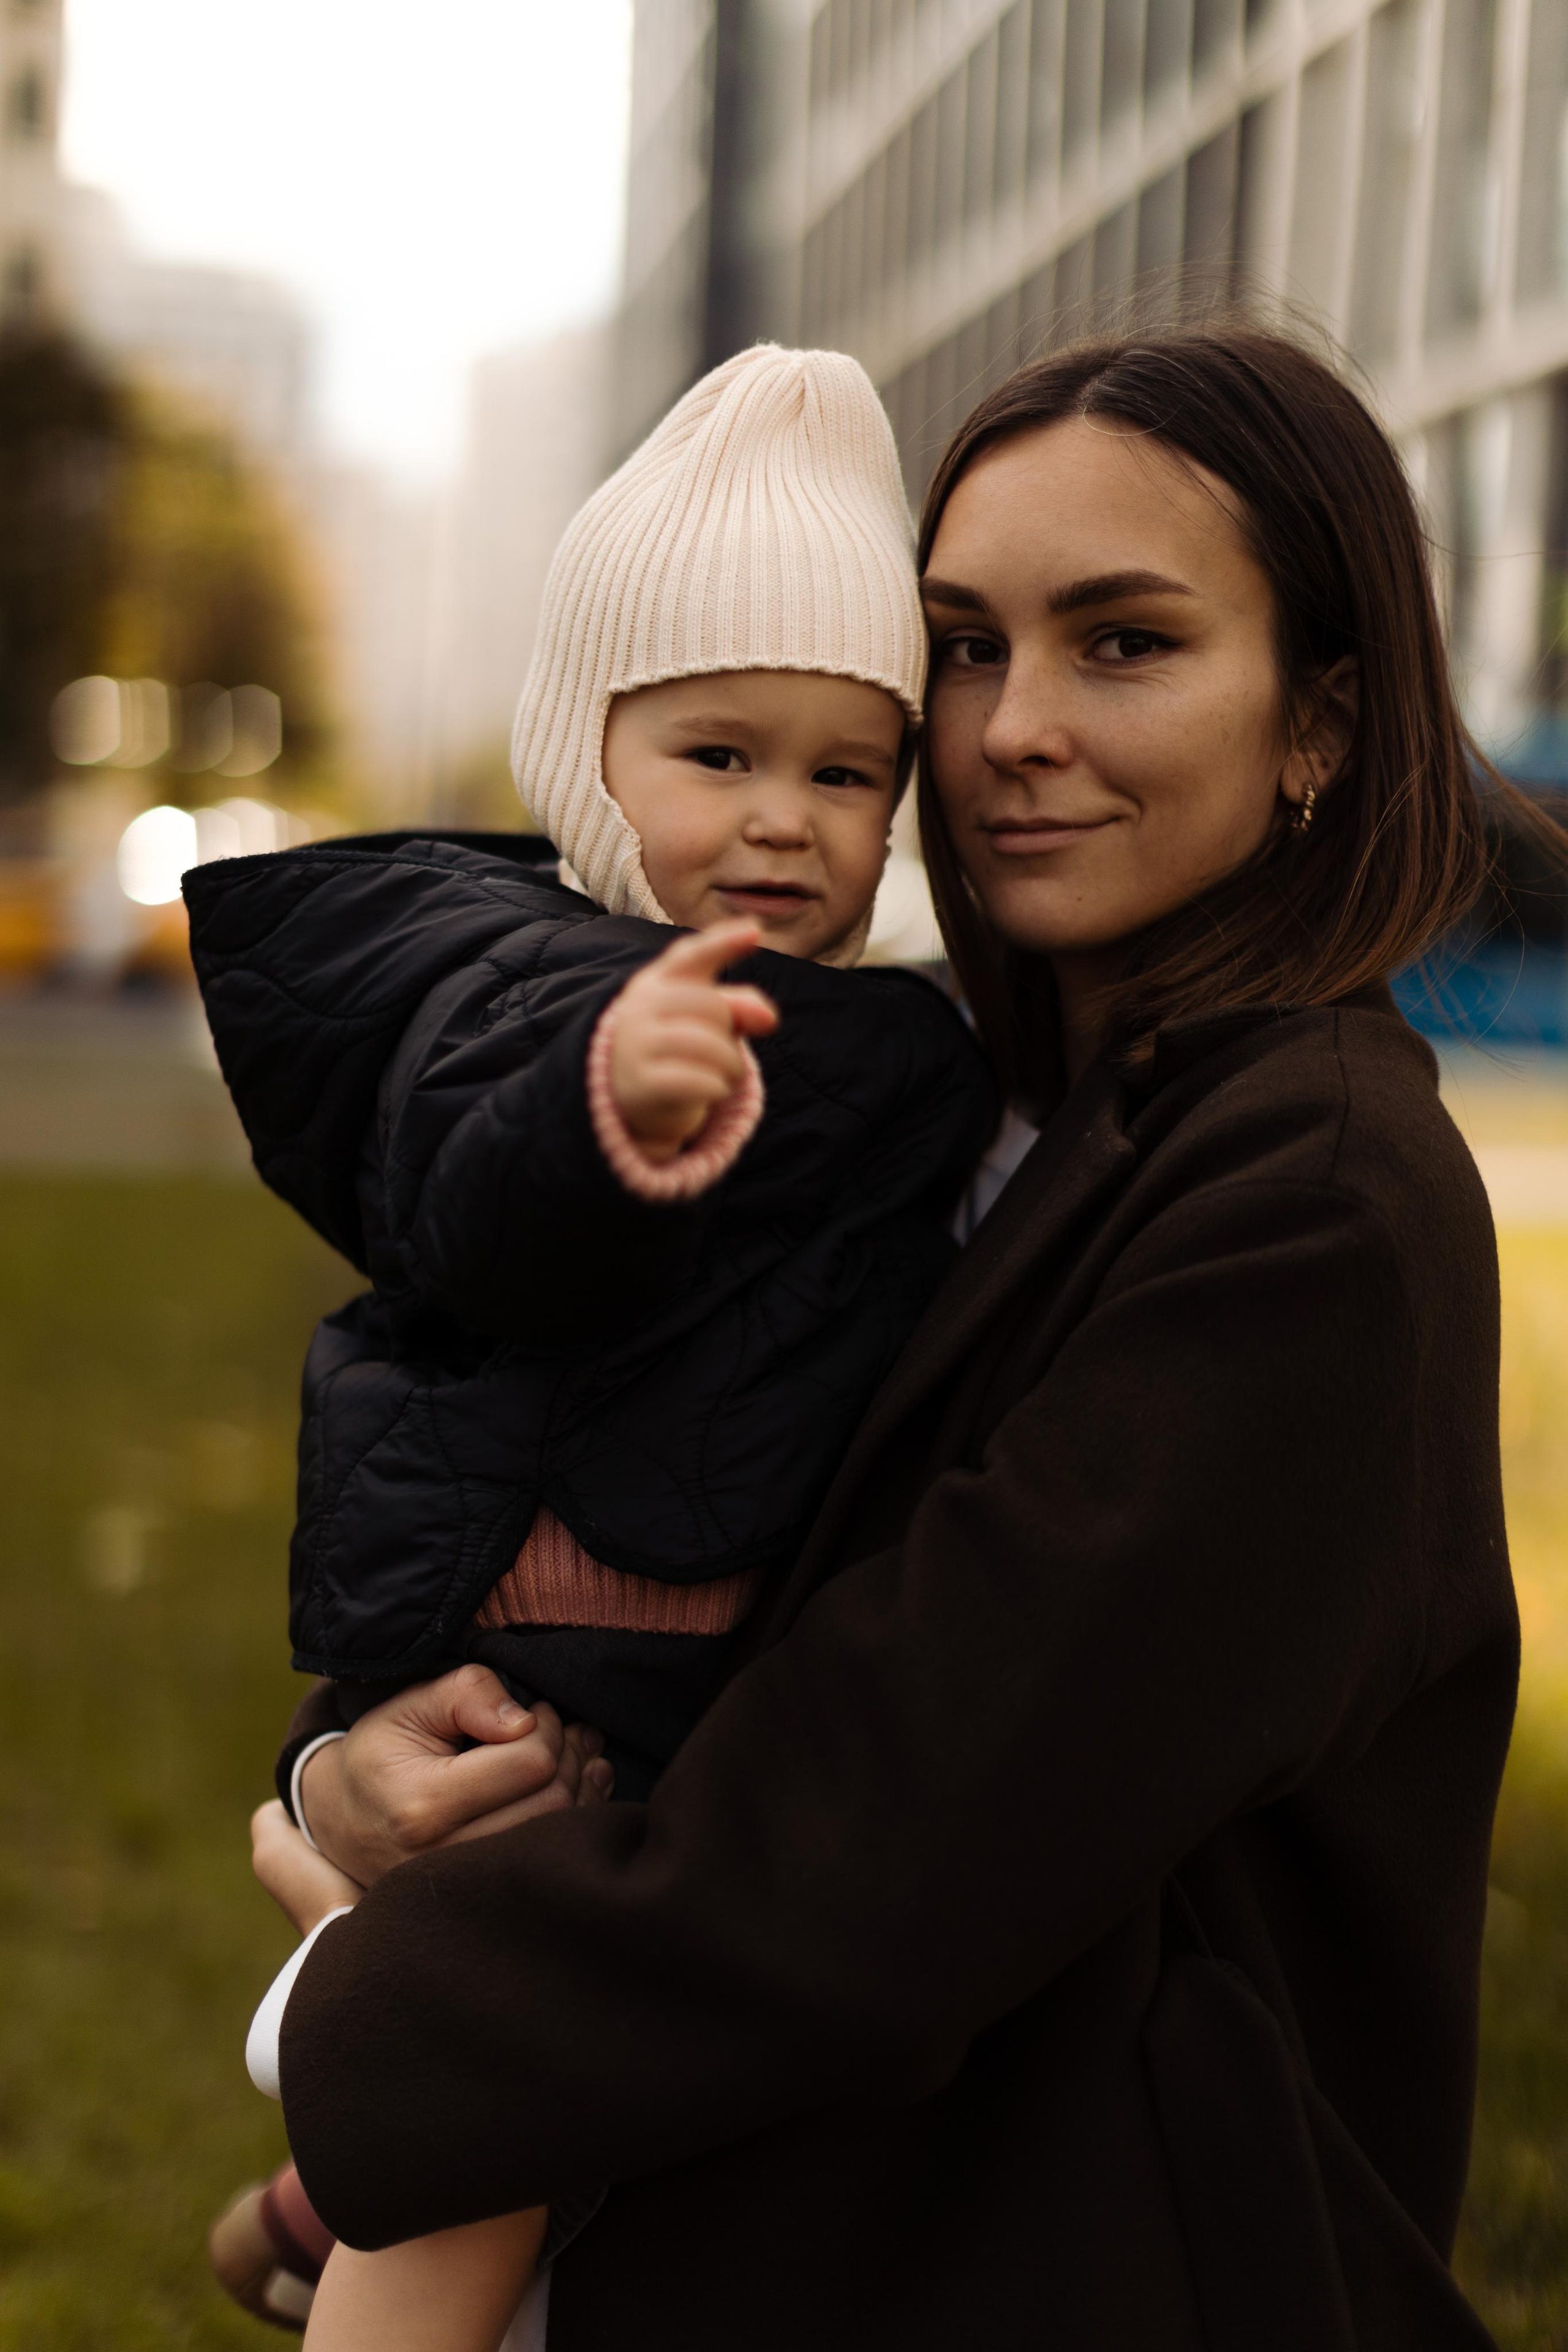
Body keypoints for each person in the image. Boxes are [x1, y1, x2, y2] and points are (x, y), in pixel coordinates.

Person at [251, 323, 1521, 2351]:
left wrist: (359, 2022)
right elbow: (590, 1505)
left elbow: (872, 1849)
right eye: (962, 644)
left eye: (1123, 642)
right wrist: (357, 1777)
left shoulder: (1315, 1208)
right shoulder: (923, 1103)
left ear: (1321, 727)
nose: (1010, 726)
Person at [187, 344, 995, 2342]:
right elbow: (467, 1185)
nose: (788, 824)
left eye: (846, 770)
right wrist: (602, 1107)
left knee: (589, 2113)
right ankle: (359, 2233)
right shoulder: (531, 983)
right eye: (719, 756)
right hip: (546, 1642)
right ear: (589, 751)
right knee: (491, 2138)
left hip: (675, 1671)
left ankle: (301, 2210)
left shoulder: (876, 1027)